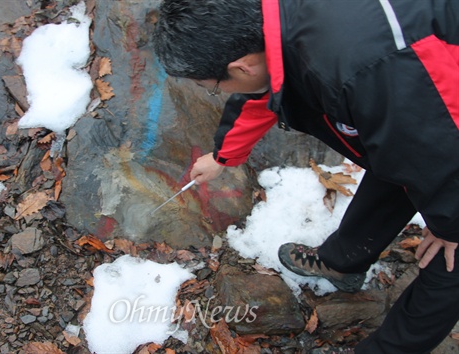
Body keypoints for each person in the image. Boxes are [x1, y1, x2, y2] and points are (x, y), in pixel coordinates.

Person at [152, 0, 459, 353]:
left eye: (212, 86)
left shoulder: (366, 71)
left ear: (242, 66)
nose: (218, 93)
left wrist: (451, 221)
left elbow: (438, 149)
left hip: (438, 110)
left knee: (451, 259)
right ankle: (343, 262)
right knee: (392, 157)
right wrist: (225, 155)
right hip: (421, 110)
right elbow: (263, 91)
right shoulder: (274, 27)